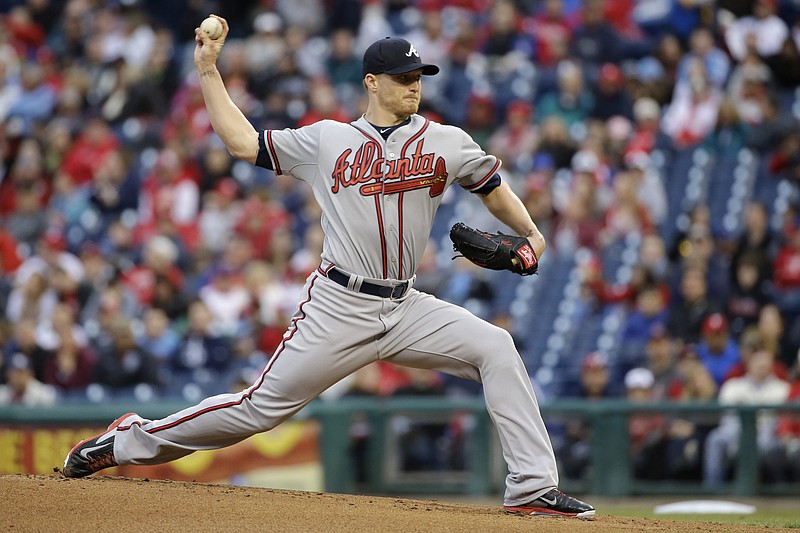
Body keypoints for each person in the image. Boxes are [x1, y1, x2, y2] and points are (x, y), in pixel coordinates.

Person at [62, 19, 595, 520]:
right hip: (340, 305)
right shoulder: (327, 140)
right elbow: (242, 142)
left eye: (419, 77)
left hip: (406, 305)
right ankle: (127, 439)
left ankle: (530, 486)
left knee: (496, 348)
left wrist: (531, 234)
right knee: (256, 411)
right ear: (371, 83)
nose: (414, 86)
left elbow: (492, 188)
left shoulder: (445, 141)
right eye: (402, 77)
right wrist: (207, 70)